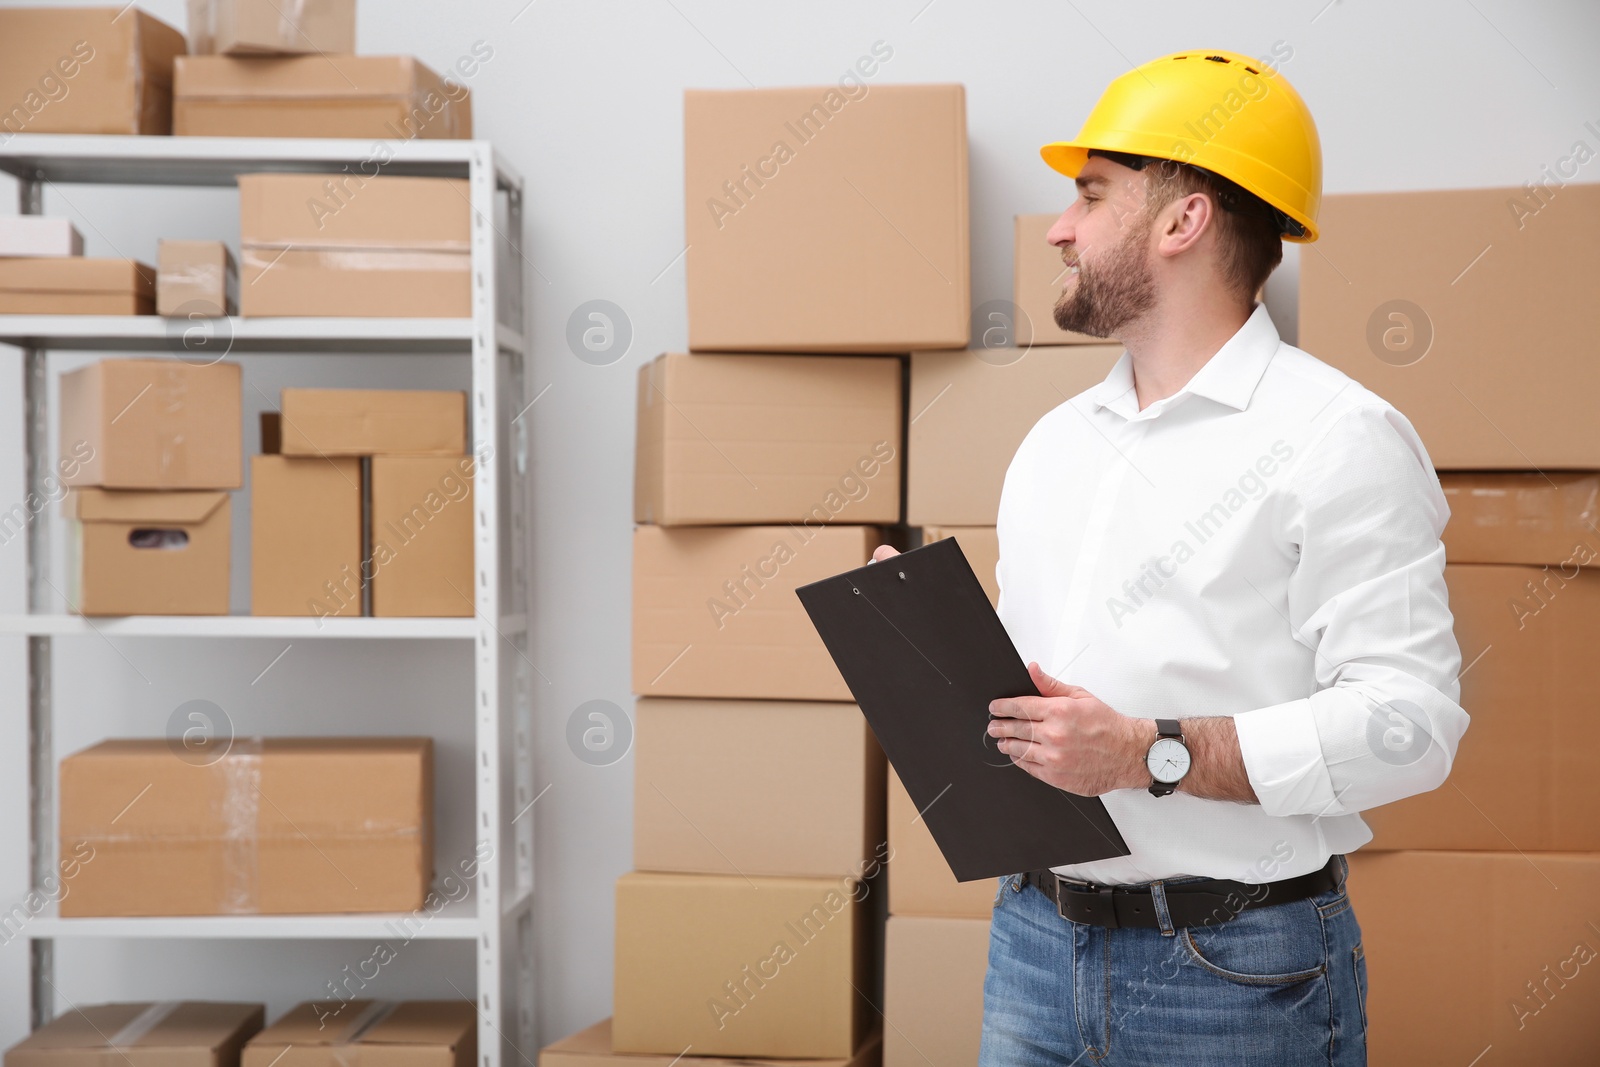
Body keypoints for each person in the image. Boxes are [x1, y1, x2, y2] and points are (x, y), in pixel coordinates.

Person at [871, 49, 1466, 1065]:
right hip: (1032, 941)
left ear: (1182, 221)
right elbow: (1035, 708)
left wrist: (1152, 750)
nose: (1059, 226)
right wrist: (921, 660)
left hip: (1237, 970)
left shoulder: (1340, 438)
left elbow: (1409, 727)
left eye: (1091, 196)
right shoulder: (1055, 442)